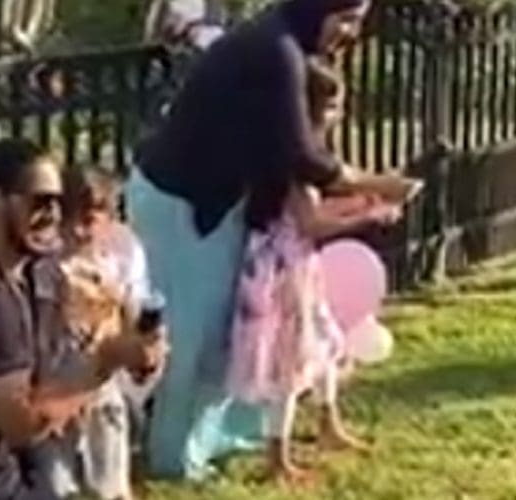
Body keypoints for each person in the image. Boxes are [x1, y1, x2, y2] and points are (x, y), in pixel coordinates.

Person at [129, 0, 421, 478]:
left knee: (221, 335)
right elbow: (304, 157)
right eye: (347, 18)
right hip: (181, 202)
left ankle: (204, 442)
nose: (352, 32)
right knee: (192, 337)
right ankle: (172, 456)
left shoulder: (281, 46)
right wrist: (379, 185)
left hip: (218, 202)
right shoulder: (274, 50)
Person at [0, 139, 167, 500]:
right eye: (40, 201)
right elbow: (25, 423)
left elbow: (50, 378)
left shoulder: (32, 275)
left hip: (21, 479)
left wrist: (138, 354)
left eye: (60, 202)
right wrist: (105, 363)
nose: (54, 215)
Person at [226, 57, 403, 484]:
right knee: (290, 360)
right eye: (333, 106)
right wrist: (368, 216)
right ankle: (277, 455)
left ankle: (328, 423)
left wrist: (362, 202)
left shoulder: (297, 157)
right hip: (283, 269)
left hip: (295, 261)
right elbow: (310, 223)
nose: (339, 115)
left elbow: (310, 212)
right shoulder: (293, 162)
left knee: (327, 341)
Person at [33, 166, 164, 500]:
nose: (82, 229)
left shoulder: (113, 268)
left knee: (109, 478)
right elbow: (43, 330)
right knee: (57, 483)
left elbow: (128, 321)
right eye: (73, 218)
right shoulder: (50, 270)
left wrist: (145, 346)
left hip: (103, 388)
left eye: (93, 219)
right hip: (61, 386)